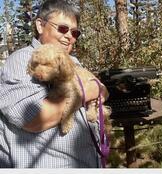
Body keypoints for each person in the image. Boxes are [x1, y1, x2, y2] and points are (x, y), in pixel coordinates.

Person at [0, 0, 107, 168]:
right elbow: (34, 118)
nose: (69, 36)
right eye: (63, 29)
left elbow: (102, 91)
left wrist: (95, 89)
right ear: (40, 26)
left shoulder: (73, 61)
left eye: (75, 32)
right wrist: (87, 91)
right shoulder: (23, 60)